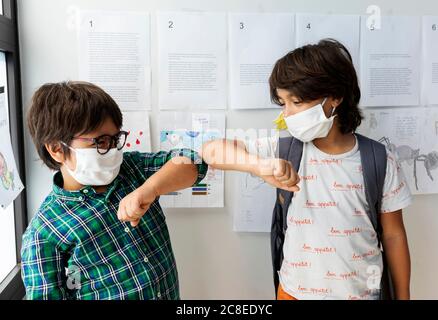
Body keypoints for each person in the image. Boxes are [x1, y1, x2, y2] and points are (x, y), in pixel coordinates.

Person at [201, 39, 412, 300]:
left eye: (296, 102)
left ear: (335, 96)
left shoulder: (379, 159)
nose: (287, 114)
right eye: (282, 103)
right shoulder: (283, 150)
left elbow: (393, 235)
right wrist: (258, 166)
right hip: (294, 293)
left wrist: (403, 295)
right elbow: (210, 151)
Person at [21, 81, 208, 299]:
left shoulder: (131, 169)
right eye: (100, 142)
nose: (112, 150)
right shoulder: (43, 233)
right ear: (56, 149)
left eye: (115, 139)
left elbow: (195, 163)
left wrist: (150, 187)